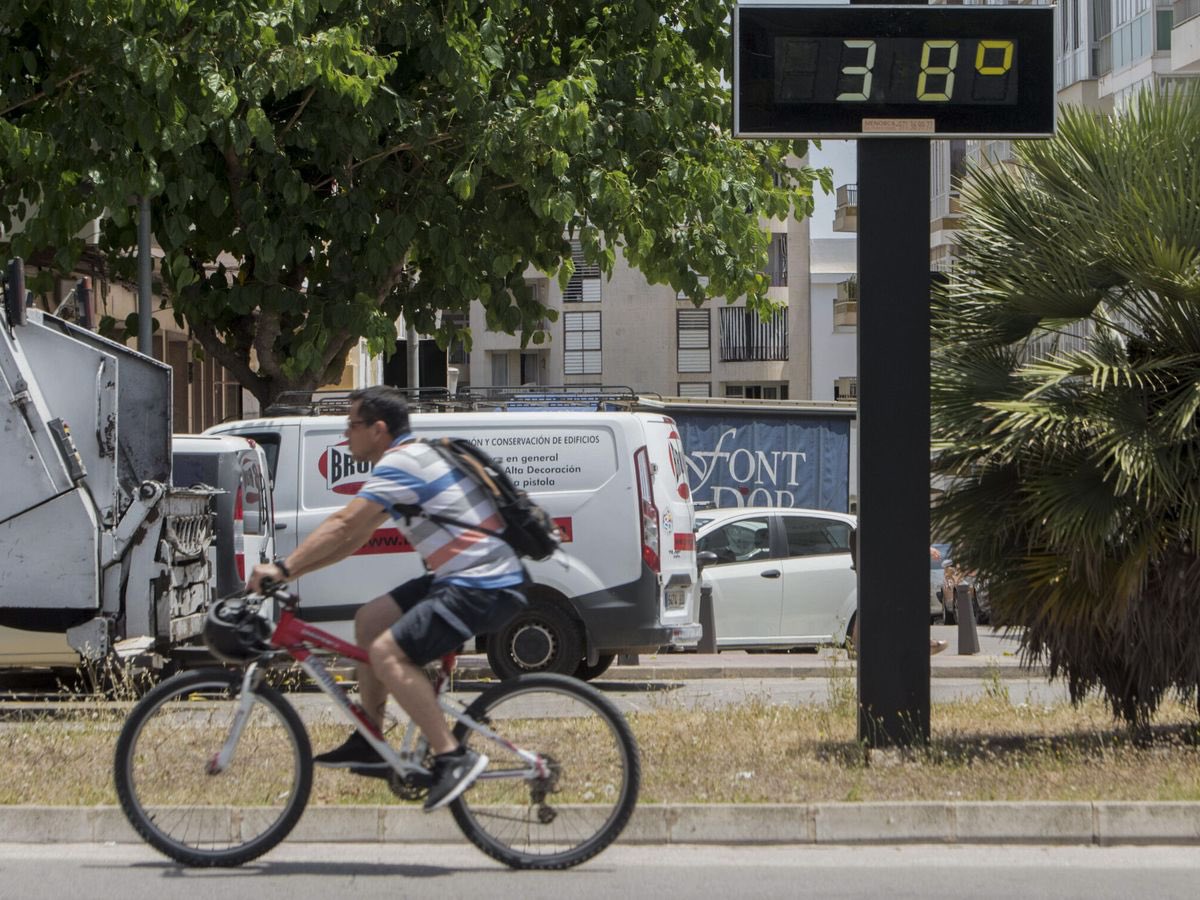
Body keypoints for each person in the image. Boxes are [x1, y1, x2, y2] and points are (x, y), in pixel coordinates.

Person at [248, 386, 528, 812]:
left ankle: (454, 756)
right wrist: (294, 572)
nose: (347, 436)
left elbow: (344, 523)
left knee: (387, 654)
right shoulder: (405, 460)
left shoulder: (401, 463)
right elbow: (353, 538)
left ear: (378, 430)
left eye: (352, 426)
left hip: (481, 582)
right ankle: (371, 739)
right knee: (369, 621)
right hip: (461, 577)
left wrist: (283, 570)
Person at [848, 530, 948, 655]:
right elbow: (896, 535)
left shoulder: (864, 527)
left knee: (870, 603)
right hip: (876, 559)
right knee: (900, 601)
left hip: (871, 556)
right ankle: (922, 643)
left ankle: (856, 646)